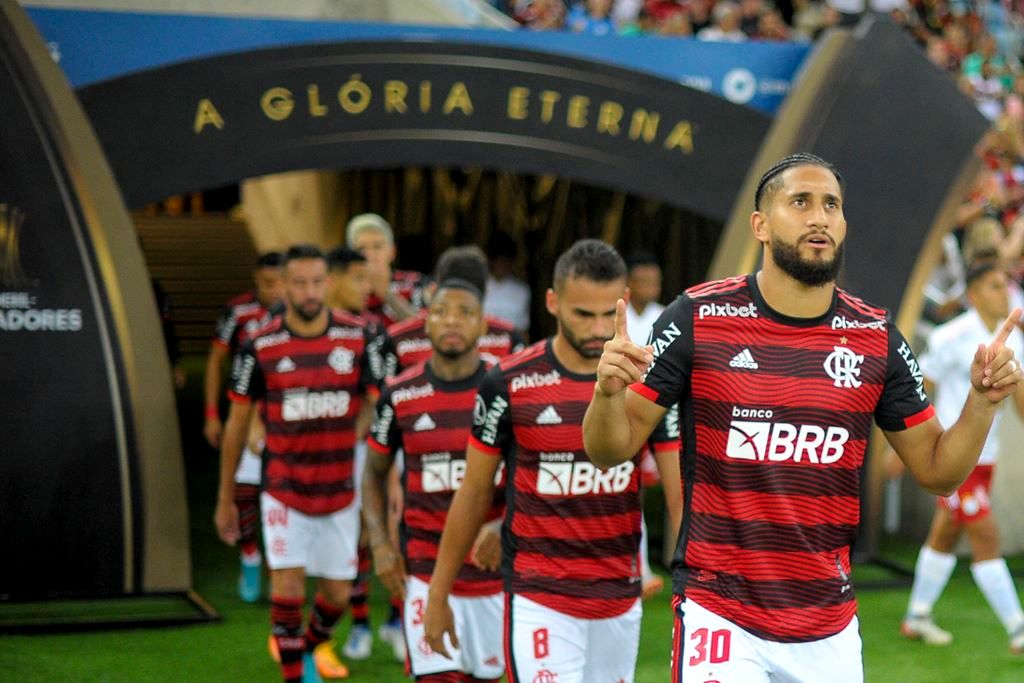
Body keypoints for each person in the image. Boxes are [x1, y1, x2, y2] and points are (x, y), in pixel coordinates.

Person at [582, 153, 1023, 682]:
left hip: (826, 622)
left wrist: (981, 402)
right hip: (719, 607)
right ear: (760, 226)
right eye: (800, 202)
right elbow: (610, 448)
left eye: (831, 204)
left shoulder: (875, 337)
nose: (819, 216)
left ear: (843, 225)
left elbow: (937, 471)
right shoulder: (697, 318)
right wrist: (606, 395)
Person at [424, 239, 682, 683]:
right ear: (552, 301)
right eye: (584, 314)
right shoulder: (508, 381)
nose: (599, 327)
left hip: (618, 598)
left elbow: (680, 497)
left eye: (609, 312)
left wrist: (688, 595)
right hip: (538, 594)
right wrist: (437, 595)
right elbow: (475, 488)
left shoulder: (650, 380)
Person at [215, 244, 383, 683]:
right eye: (299, 283)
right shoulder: (260, 344)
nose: (309, 293)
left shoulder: (358, 336)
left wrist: (357, 427)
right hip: (283, 487)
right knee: (287, 586)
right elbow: (236, 423)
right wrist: (226, 496)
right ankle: (294, 673)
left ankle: (306, 645)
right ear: (284, 287)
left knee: (337, 595)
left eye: (316, 283)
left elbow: (378, 404)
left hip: (339, 490)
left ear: (328, 283)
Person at [364, 279, 506, 682]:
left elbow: (528, 472)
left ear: (484, 325)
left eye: (465, 313)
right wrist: (380, 544)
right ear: (425, 324)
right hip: (425, 573)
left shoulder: (507, 389)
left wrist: (501, 522)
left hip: (494, 580)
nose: (452, 322)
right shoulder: (400, 393)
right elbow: (372, 473)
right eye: (441, 312)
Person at [901, 260, 1024, 652]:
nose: (1002, 293)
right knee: (985, 536)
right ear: (972, 296)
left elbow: (1020, 404)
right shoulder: (952, 335)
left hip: (988, 459)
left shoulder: (1015, 339)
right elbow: (921, 387)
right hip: (956, 458)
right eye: (992, 286)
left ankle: (916, 616)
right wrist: (904, 446)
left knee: (947, 531)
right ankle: (1018, 629)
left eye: (1004, 285)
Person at [204, 251, 285, 602]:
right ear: (256, 281)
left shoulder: (300, 318)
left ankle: (280, 568)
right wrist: (211, 413)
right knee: (244, 490)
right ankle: (249, 554)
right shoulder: (239, 312)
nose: (275, 290)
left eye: (280, 282)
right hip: (245, 413)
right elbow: (216, 360)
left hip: (281, 420)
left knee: (278, 495)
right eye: (267, 283)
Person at [385, 245, 526, 376]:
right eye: (443, 311)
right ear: (486, 293)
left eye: (465, 310)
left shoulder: (395, 337)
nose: (452, 322)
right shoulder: (510, 336)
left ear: (433, 289)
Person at [346, 213, 429, 327]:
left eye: (377, 246)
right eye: (361, 248)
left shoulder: (415, 283)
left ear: (392, 252)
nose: (369, 255)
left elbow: (426, 329)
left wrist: (386, 294)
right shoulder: (344, 288)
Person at [483, 231, 531, 337]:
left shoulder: (521, 291)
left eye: (506, 260)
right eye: (498, 260)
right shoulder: (478, 288)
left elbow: (524, 329)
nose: (502, 265)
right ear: (491, 260)